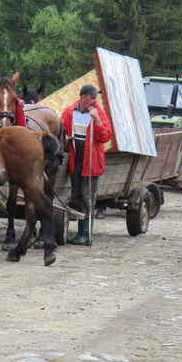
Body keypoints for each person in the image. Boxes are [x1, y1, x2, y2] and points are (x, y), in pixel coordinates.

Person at [60, 84, 112, 245]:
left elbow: (105, 136)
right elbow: (61, 128)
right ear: (83, 98)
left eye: (96, 98)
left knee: (87, 197)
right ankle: (79, 234)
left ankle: (86, 234)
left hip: (90, 163)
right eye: (92, 97)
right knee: (76, 197)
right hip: (76, 160)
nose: (95, 101)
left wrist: (96, 119)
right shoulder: (70, 112)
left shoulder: (99, 113)